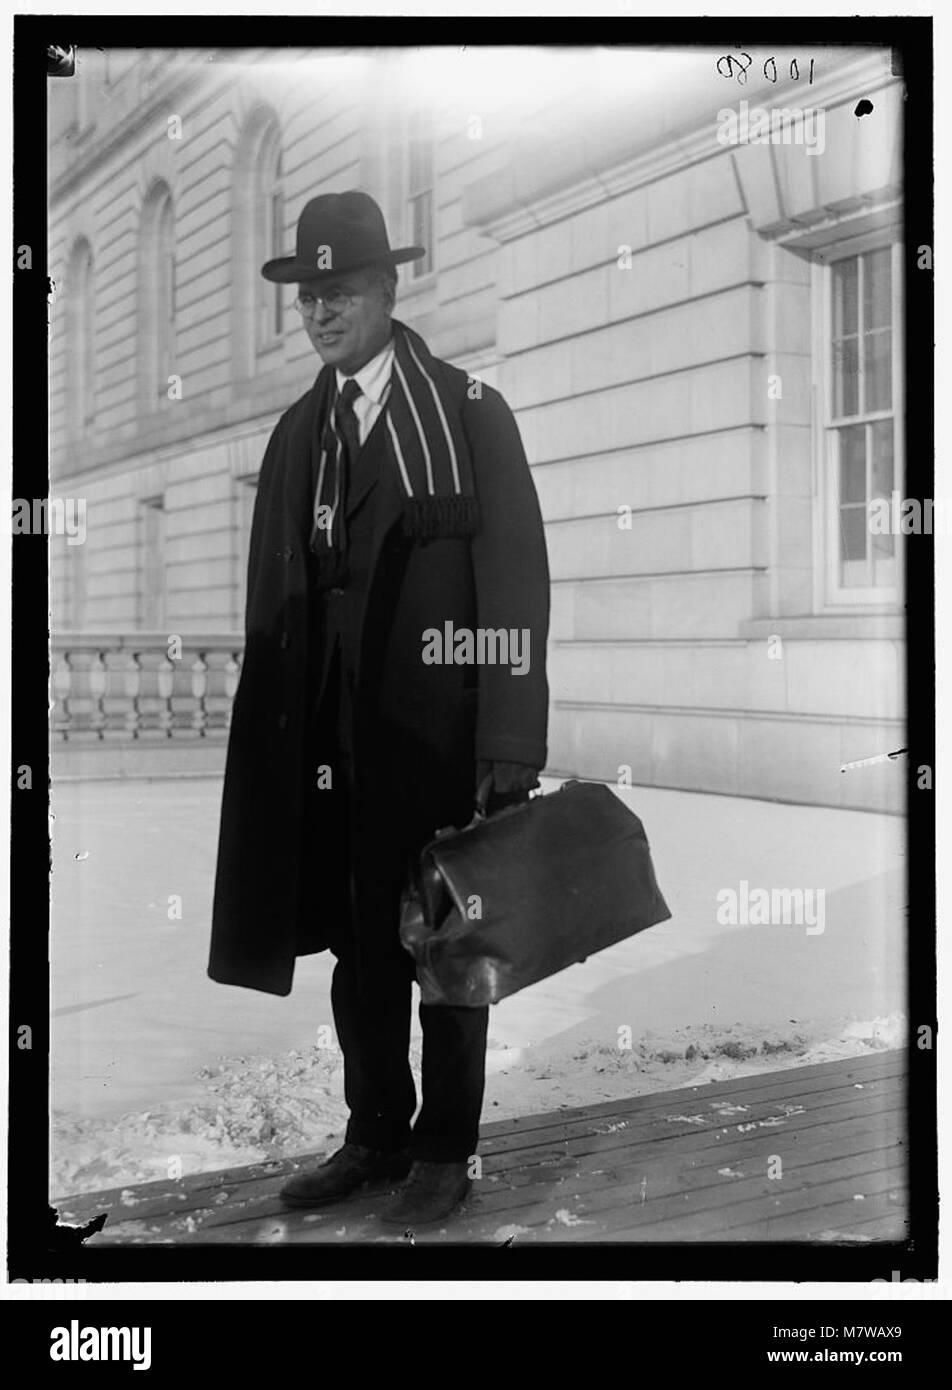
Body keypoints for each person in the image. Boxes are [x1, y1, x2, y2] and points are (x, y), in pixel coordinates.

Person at [208, 190, 550, 1227]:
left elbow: (515, 583)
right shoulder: (296, 436)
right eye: (309, 295)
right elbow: (278, 603)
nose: (322, 311)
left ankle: (443, 1151)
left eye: (341, 290)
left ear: (388, 289)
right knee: (360, 953)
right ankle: (374, 1133)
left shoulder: (468, 412)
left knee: (445, 952)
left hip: (440, 748)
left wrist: (505, 740)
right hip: (334, 750)